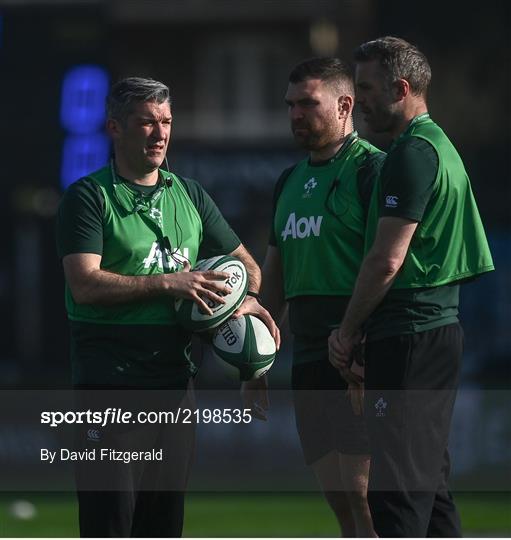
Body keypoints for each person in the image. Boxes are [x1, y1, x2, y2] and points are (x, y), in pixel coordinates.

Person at [56, 77, 279, 538]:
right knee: (110, 528)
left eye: (166, 121)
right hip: (110, 391)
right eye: (146, 123)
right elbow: (85, 285)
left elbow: (249, 269)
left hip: (177, 391)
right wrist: (169, 283)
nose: (160, 133)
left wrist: (244, 305)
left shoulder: (191, 195)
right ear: (114, 128)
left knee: (163, 530)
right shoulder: (88, 197)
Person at [328, 36, 495, 537]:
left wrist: (347, 331)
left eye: (366, 88)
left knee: (397, 495)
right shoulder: (438, 146)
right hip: (433, 332)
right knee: (430, 488)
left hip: (411, 335)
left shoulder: (411, 154)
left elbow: (386, 260)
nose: (357, 101)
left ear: (401, 88)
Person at [244, 58, 385, 537]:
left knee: (368, 499)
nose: (295, 115)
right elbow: (274, 284)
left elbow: (391, 267)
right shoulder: (288, 181)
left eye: (308, 103)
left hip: (355, 354)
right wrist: (255, 363)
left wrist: (362, 345)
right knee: (341, 502)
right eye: (290, 105)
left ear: (345, 105)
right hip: (306, 356)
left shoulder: (373, 171)